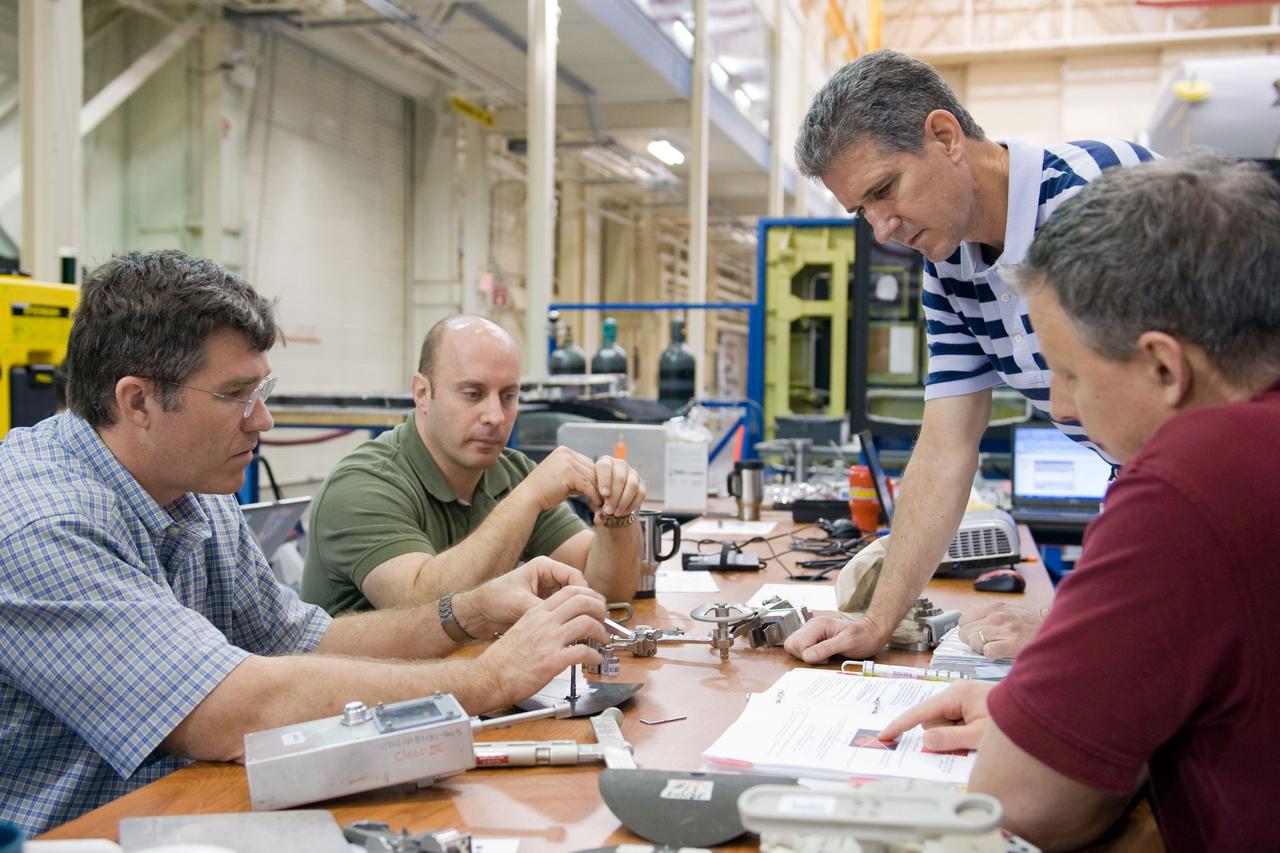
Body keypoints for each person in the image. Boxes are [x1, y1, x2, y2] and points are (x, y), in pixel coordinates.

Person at [0, 251, 609, 836]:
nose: (261, 420)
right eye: (237, 395)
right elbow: (233, 711)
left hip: (191, 812)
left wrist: (470, 613)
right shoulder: (39, 524)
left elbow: (299, 638)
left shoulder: (198, 494)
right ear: (137, 401)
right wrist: (490, 678)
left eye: (262, 391)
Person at [878, 154, 1280, 851]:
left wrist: (1043, 731)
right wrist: (1036, 710)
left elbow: (1023, 802)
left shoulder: (1192, 477)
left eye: (1068, 373)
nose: (1058, 406)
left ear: (1164, 365)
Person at [783, 49, 1154, 665]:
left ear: (945, 136)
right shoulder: (949, 266)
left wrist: (1076, 620)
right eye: (862, 211)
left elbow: (1185, 434)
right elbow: (946, 445)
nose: (882, 229)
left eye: (884, 190)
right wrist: (875, 622)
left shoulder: (1103, 192)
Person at [300, 315, 645, 616]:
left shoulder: (510, 473)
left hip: (461, 681)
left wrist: (617, 515)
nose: (495, 417)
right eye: (473, 394)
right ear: (421, 392)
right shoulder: (362, 485)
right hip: (369, 691)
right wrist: (528, 498)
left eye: (508, 396)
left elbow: (602, 591)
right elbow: (423, 609)